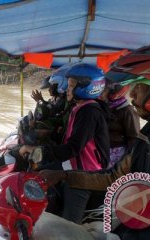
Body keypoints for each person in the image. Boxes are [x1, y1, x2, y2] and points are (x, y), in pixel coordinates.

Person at [39, 40, 150, 240]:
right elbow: (113, 176)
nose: (132, 94)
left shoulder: (95, 112)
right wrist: (65, 176)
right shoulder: (148, 134)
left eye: (141, 86)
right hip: (131, 227)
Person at [20, 63, 110, 223]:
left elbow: (73, 148)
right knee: (37, 175)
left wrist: (38, 150)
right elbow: (68, 136)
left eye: (71, 86)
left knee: (68, 223)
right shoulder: (80, 107)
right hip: (74, 164)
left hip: (86, 173)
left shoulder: (89, 112)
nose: (66, 89)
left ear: (86, 88)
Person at [99, 79, 140, 167]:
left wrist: (128, 159)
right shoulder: (105, 106)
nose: (101, 93)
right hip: (103, 149)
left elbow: (134, 137)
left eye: (105, 90)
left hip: (117, 154)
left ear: (115, 92)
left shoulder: (128, 111)